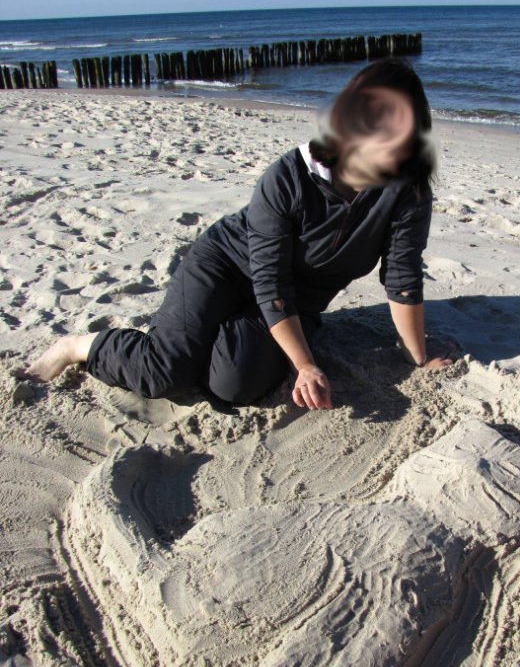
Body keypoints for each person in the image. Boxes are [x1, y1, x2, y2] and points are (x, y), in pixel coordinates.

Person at [24, 58, 452, 411]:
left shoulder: (408, 192)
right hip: (227, 265)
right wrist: (304, 365)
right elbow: (269, 280)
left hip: (297, 301)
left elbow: (402, 277)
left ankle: (207, 337)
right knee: (163, 373)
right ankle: (77, 346)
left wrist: (417, 356)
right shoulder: (289, 176)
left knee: (233, 385)